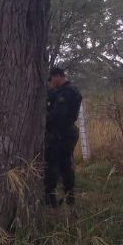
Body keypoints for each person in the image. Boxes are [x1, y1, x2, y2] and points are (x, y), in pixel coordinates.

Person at [44, 67, 82, 207]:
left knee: (54, 165)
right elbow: (52, 96)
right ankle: (68, 197)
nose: (51, 83)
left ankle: (52, 199)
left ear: (58, 76)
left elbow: (58, 115)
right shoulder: (64, 90)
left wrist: (43, 120)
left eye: (51, 79)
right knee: (65, 165)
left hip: (62, 134)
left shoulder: (67, 92)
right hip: (66, 132)